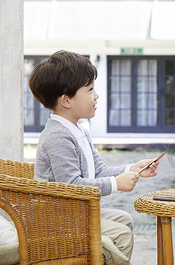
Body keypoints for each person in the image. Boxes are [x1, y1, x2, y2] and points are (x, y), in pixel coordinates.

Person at [29, 50, 160, 261]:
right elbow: (72, 186)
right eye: (90, 90)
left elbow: (99, 170)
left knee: (124, 219)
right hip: (56, 220)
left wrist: (132, 169)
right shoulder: (57, 136)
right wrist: (116, 184)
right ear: (66, 101)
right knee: (122, 235)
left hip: (73, 214)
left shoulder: (79, 130)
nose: (96, 95)